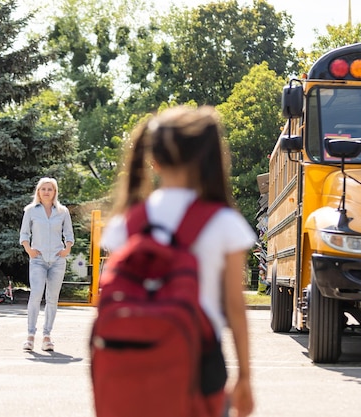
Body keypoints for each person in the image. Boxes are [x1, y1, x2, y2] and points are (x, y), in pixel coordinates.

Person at [100, 106, 255, 417]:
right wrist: (245, 378)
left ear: (153, 160)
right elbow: (235, 308)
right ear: (207, 160)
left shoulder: (126, 223)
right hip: (200, 362)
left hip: (130, 358)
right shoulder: (223, 222)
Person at [19, 177, 74, 352]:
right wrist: (29, 250)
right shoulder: (30, 211)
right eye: (43, 189)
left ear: (55, 192)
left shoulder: (63, 211)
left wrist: (67, 249)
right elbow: (24, 234)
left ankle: (47, 336)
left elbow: (69, 234)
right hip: (38, 260)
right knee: (35, 295)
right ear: (38, 192)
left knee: (52, 299)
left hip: (57, 260)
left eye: (50, 189)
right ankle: (30, 336)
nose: (47, 192)